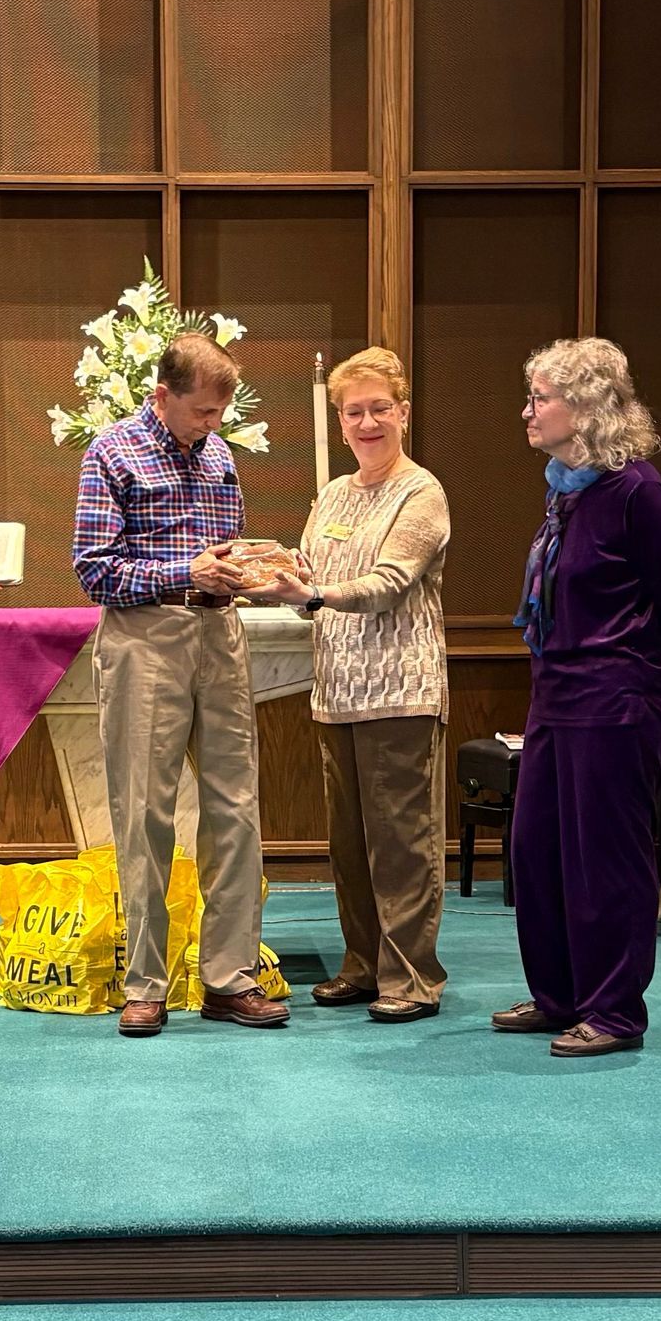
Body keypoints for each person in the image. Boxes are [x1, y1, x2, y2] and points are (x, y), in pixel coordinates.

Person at [72, 332, 287, 1038]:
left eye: (222, 413)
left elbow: (222, 553)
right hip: (145, 638)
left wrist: (257, 569)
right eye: (202, 411)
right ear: (163, 396)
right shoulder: (112, 452)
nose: (214, 425)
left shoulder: (220, 455)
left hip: (219, 636)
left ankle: (229, 979)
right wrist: (182, 574)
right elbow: (95, 570)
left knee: (237, 808)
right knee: (144, 815)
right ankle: (145, 984)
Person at [494, 337, 661, 1058]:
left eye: (539, 398)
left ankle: (613, 1011)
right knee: (539, 853)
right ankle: (560, 996)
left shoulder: (636, 491)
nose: (528, 410)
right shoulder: (565, 489)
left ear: (582, 407)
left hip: (616, 700)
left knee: (606, 860)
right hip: (555, 696)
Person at [257, 347, 451, 1022]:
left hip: (400, 690)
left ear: (403, 413)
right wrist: (261, 567)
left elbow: (392, 582)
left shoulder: (421, 491)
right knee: (350, 843)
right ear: (339, 423)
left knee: (402, 841)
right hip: (337, 692)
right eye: (353, 412)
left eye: (378, 409)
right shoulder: (335, 493)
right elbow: (307, 565)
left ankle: (413, 978)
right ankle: (363, 965)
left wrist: (314, 595)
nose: (367, 422)